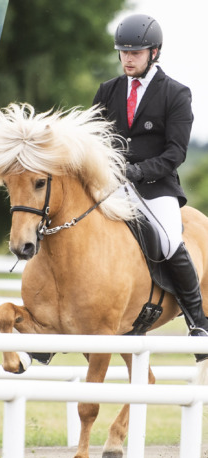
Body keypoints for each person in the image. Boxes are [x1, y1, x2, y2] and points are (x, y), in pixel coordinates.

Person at [93, 14, 208, 338]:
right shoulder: (107, 91)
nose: (128, 58)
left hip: (156, 187)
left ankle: (197, 319)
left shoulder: (175, 93)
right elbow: (93, 141)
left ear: (153, 52)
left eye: (136, 52)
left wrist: (140, 171)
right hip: (110, 185)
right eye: (124, 52)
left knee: (170, 240)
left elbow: (176, 153)